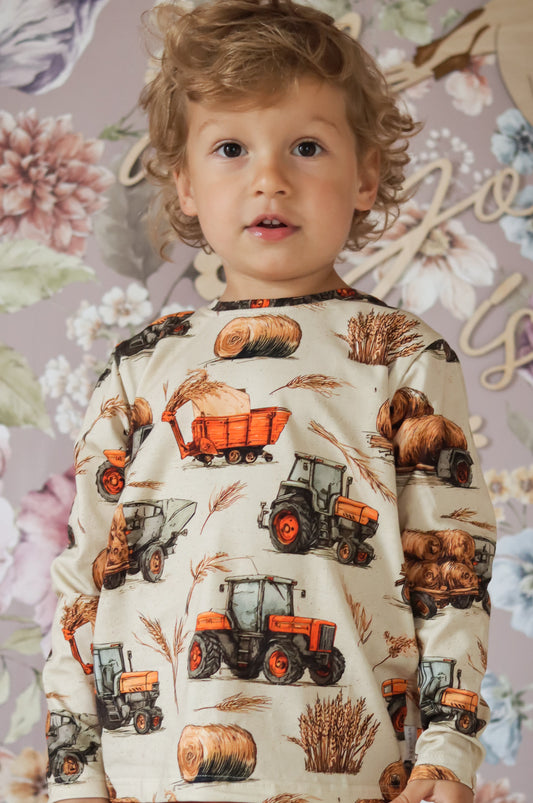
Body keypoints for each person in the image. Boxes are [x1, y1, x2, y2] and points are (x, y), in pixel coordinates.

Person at [43, 1, 496, 803]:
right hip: (149, 782)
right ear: (183, 182)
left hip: (356, 779)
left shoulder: (400, 356)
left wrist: (446, 749)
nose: (269, 178)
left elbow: (449, 575)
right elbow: (85, 585)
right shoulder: (140, 368)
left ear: (365, 177)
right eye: (230, 148)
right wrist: (74, 773)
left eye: (306, 146)